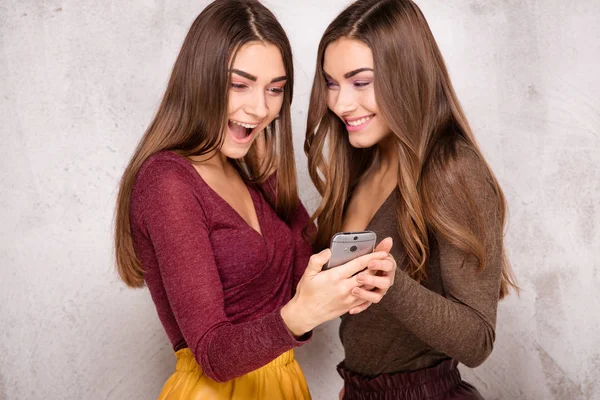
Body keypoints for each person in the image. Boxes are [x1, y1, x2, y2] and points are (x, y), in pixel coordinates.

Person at [113, 1, 396, 399]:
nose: (260, 108)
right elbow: (213, 354)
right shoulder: (167, 182)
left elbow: (299, 263)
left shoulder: (245, 170)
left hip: (282, 384)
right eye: (239, 84)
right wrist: (299, 315)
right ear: (200, 79)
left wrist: (272, 175)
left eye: (275, 89)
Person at [304, 0, 519, 399]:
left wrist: (393, 286)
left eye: (360, 82)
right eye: (331, 83)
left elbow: (478, 342)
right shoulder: (360, 163)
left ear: (406, 75)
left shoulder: (453, 171)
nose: (340, 104)